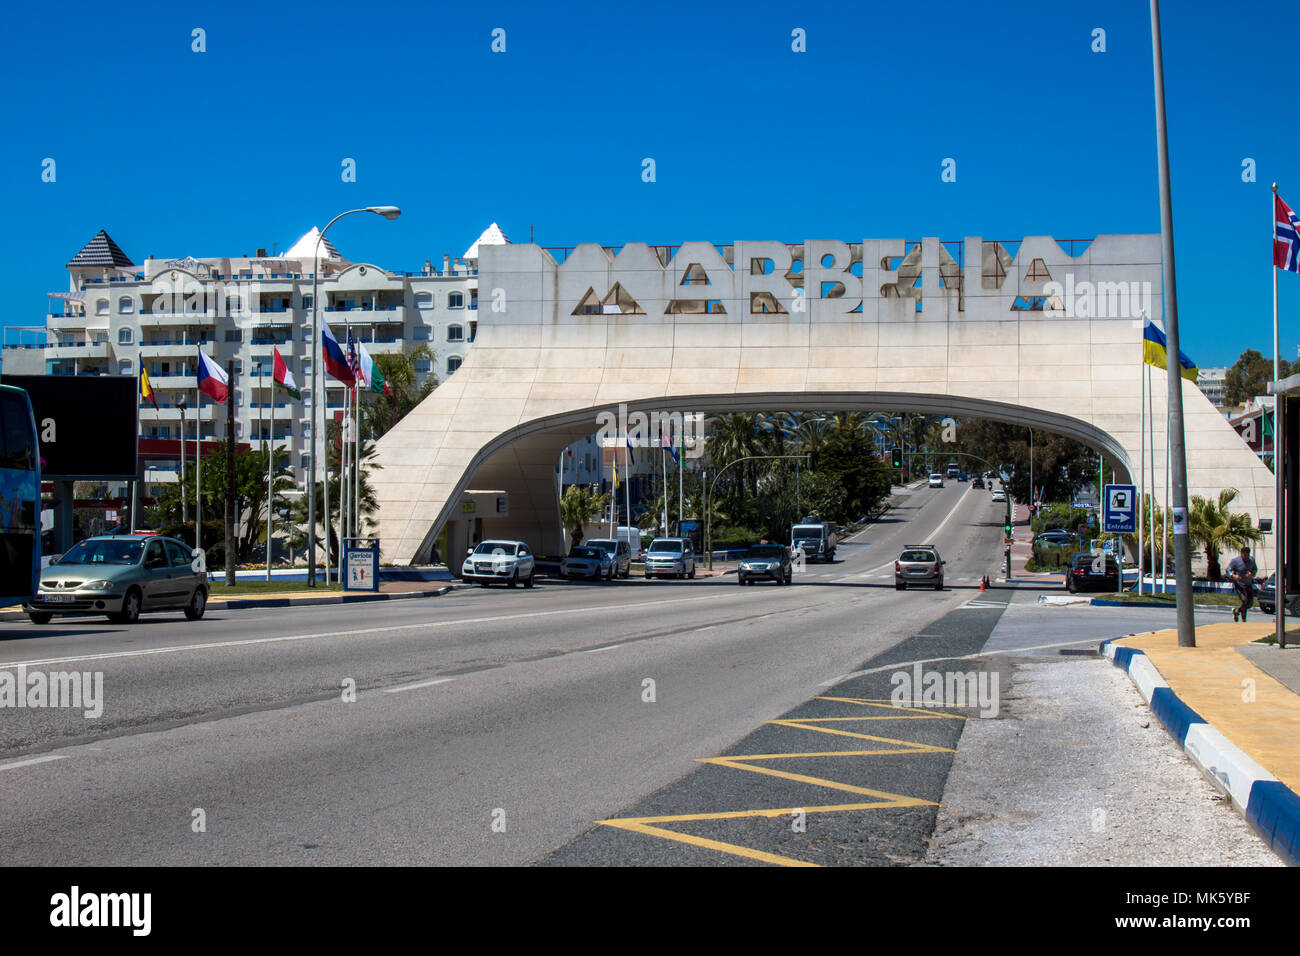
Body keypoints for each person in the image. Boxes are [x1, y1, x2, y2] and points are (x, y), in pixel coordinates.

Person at [1227, 546, 1258, 622]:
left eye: (1247, 555)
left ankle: (1237, 611)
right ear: (1241, 554)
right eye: (1244, 555)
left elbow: (1255, 569)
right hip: (1239, 584)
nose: (1246, 558)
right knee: (1244, 600)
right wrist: (1234, 575)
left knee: (1249, 603)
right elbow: (1228, 570)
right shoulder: (1235, 561)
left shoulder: (1252, 560)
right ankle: (1244, 619)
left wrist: (1251, 574)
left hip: (1248, 584)